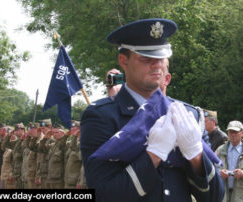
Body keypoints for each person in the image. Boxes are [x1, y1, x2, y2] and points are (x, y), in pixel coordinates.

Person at [80, 18, 224, 201]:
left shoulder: (188, 115)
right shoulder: (101, 116)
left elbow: (216, 197)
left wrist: (195, 154)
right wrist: (153, 155)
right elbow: (103, 194)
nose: (156, 65)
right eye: (146, 58)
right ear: (123, 60)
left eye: (161, 57)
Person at [216, 120, 243, 202]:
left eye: (235, 132)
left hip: (242, 198)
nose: (232, 134)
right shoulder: (220, 150)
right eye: (230, 132)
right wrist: (219, 173)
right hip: (222, 196)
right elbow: (211, 170)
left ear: (242, 133)